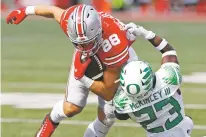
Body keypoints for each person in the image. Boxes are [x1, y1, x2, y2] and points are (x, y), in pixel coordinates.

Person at [6, 4, 140, 137]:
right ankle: (48, 124)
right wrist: (25, 11)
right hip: (93, 57)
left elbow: (107, 93)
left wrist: (82, 77)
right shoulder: (72, 22)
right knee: (71, 107)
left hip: (116, 64)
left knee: (107, 117)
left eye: (87, 42)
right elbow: (53, 11)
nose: (83, 47)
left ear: (98, 32)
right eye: (78, 43)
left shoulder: (114, 44)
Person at [113, 23, 194, 137]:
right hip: (180, 128)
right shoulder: (168, 78)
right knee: (186, 121)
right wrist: (145, 33)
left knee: (187, 121)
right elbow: (168, 51)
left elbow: (120, 115)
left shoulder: (122, 102)